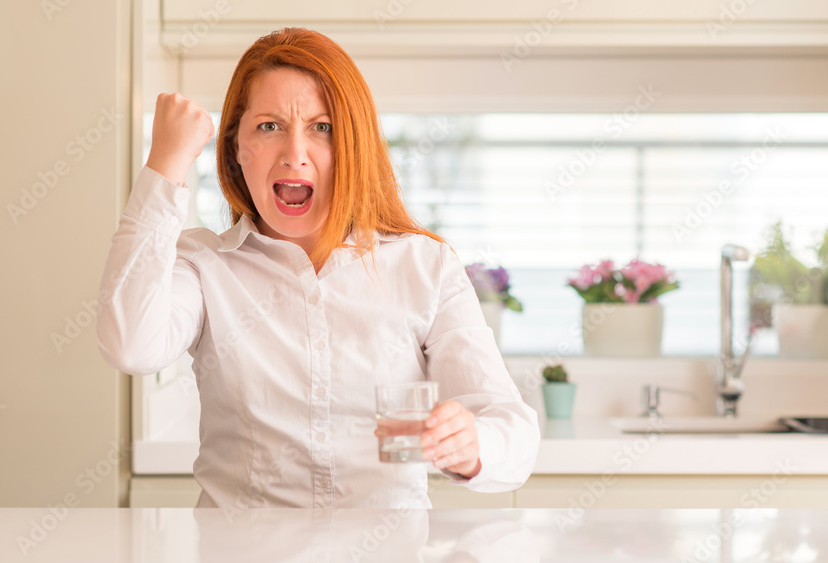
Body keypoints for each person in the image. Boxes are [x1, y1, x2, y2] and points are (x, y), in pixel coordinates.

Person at [97, 27, 539, 510]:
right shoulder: (205, 267)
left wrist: (474, 443)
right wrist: (166, 163)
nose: (294, 155)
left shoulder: (424, 266)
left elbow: (511, 431)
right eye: (269, 126)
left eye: (322, 128)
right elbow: (130, 345)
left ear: (354, 144)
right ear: (237, 148)